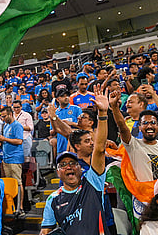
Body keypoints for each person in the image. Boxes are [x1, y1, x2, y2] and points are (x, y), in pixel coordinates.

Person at [41, 85, 110, 234]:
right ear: (58, 172)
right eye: (63, 165)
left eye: (73, 163)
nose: (69, 167)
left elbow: (100, 149)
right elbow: (46, 230)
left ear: (79, 167)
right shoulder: (53, 199)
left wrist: (103, 113)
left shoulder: (92, 181)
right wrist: (53, 117)